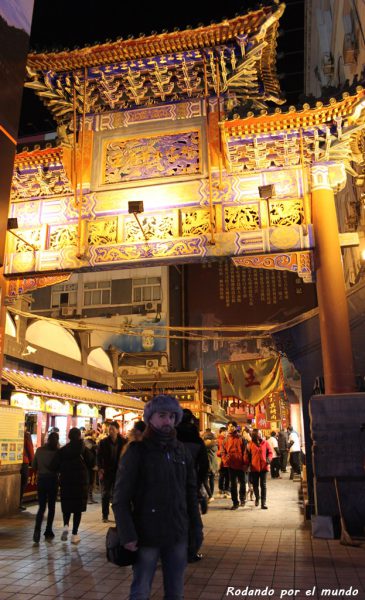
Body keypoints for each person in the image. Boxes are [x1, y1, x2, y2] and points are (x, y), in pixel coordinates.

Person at [113, 394, 203, 600]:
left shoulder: (181, 451)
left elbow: (190, 493)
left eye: (172, 416)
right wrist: (127, 533)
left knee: (176, 592)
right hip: (146, 535)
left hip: (177, 533)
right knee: (141, 590)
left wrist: (196, 528)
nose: (167, 421)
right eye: (162, 415)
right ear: (150, 418)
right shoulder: (137, 451)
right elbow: (120, 497)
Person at [51, 427, 94, 544]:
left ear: (69, 436)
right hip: (80, 483)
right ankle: (74, 534)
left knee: (67, 506)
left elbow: (54, 465)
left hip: (66, 482)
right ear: (79, 436)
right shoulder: (83, 449)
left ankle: (65, 526)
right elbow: (91, 461)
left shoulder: (63, 450)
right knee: (77, 509)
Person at [176, 409, 209, 562]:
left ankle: (172, 552)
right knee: (194, 522)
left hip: (171, 486)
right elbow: (204, 467)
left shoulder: (171, 438)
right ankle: (191, 552)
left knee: (174, 520)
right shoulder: (197, 441)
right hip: (190, 487)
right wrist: (199, 485)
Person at [32, 431, 59, 543]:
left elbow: (34, 466)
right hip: (53, 480)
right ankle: (48, 530)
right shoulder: (57, 452)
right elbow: (59, 467)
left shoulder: (39, 450)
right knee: (52, 507)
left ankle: (37, 530)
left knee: (42, 507)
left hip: (42, 480)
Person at [97, 420, 127, 522]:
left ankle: (117, 515)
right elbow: (99, 456)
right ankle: (105, 515)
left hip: (119, 471)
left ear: (118, 430)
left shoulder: (124, 442)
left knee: (117, 494)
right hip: (107, 471)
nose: (111, 431)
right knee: (105, 494)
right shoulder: (103, 442)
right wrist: (100, 468)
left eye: (113, 429)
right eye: (109, 429)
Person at [222, 421, 248, 510]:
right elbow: (223, 452)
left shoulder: (241, 438)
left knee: (243, 483)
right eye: (229, 426)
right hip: (231, 464)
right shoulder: (226, 439)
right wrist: (225, 460)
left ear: (236, 427)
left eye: (232, 426)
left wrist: (245, 463)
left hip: (241, 464)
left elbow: (245, 452)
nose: (230, 428)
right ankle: (235, 502)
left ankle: (242, 499)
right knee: (233, 484)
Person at [245, 429, 273, 509]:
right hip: (254, 468)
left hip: (264, 467)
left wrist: (268, 459)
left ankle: (263, 503)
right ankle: (257, 498)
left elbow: (270, 452)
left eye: (260, 433)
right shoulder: (250, 444)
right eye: (259, 433)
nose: (260, 434)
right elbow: (247, 455)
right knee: (255, 485)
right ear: (255, 435)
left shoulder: (265, 443)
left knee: (263, 485)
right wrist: (247, 464)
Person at [19, 424, 35, 511]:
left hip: (16, 461)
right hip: (24, 461)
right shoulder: (26, 435)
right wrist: (33, 462)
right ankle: (19, 502)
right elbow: (30, 448)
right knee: (23, 482)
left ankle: (18, 502)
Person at [203, 429, 218, 501]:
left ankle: (210, 495)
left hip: (208, 466)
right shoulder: (214, 445)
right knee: (211, 480)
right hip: (214, 465)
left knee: (204, 480)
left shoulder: (206, 446)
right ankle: (211, 495)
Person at [84, 430, 98, 504]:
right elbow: (88, 448)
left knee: (91, 482)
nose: (95, 435)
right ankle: (87, 498)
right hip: (87, 465)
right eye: (94, 434)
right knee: (88, 482)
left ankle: (90, 497)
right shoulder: (86, 441)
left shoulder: (92, 441)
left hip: (92, 464)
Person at [217, 426, 230, 497]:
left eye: (226, 431)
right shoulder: (218, 440)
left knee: (228, 476)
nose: (225, 433)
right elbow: (217, 452)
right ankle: (221, 489)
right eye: (223, 432)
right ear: (220, 433)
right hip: (221, 461)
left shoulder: (228, 439)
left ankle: (227, 489)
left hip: (227, 461)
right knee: (221, 476)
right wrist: (222, 452)